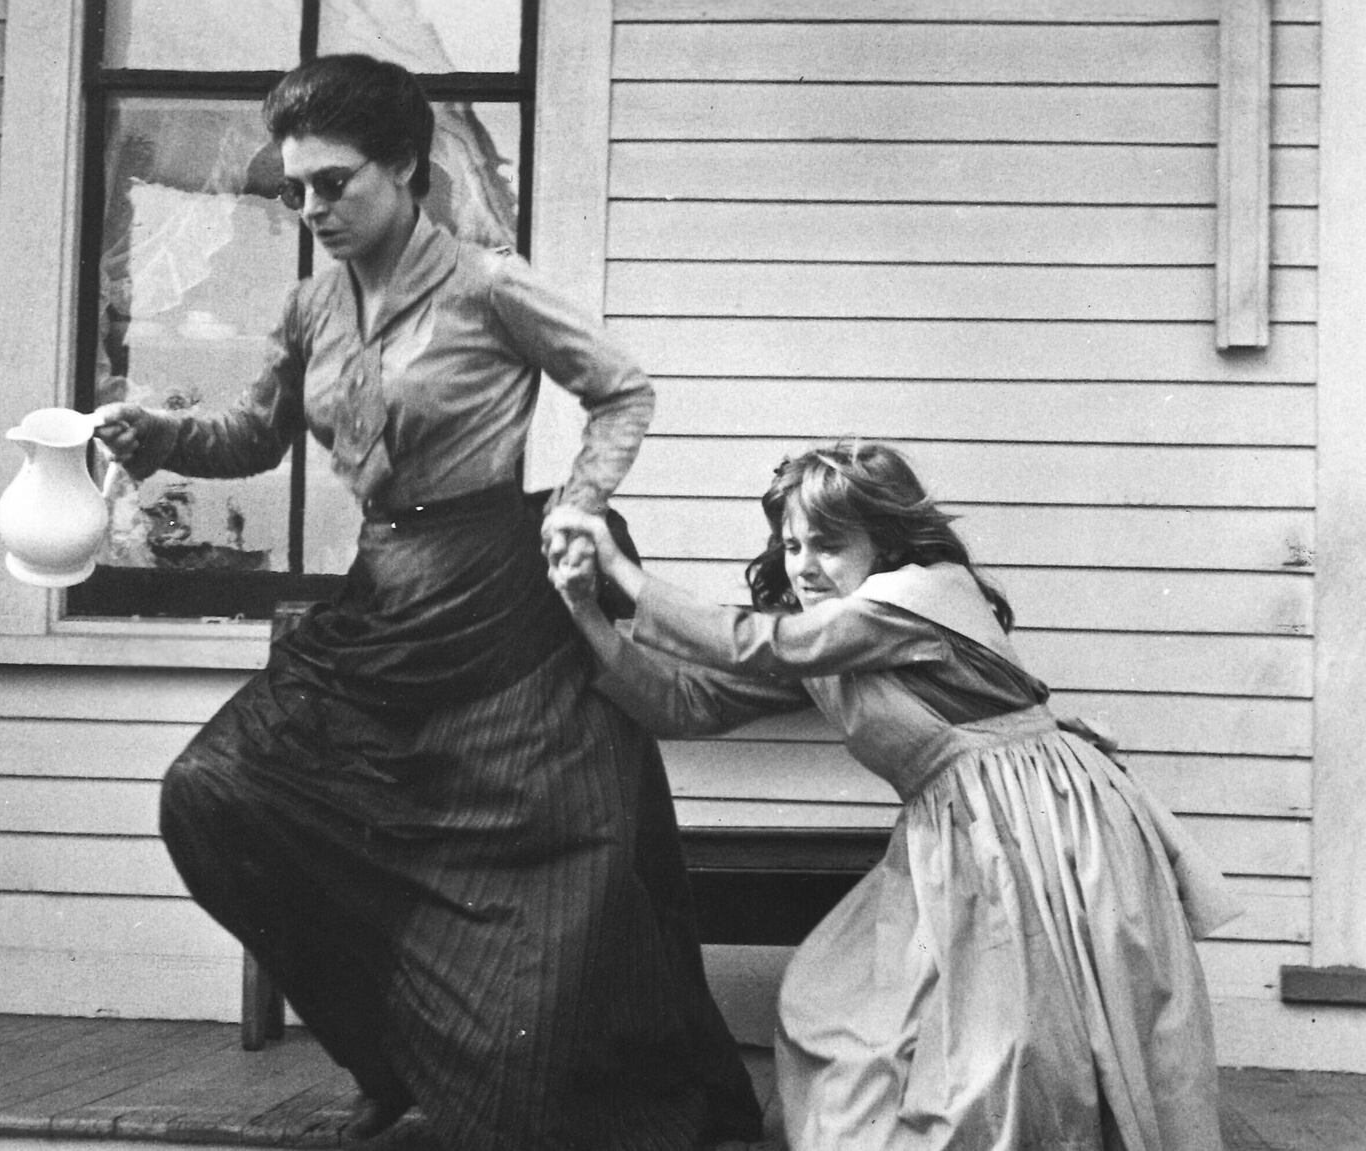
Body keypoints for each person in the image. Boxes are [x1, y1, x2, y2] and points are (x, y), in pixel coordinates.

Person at [94, 54, 761, 1151]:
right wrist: (162, 433)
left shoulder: (490, 283)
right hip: (385, 598)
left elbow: (622, 387)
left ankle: (524, 1073)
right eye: (295, 189)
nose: (310, 209)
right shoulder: (313, 300)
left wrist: (581, 506)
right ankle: (384, 1055)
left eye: (334, 183)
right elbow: (256, 434)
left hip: (498, 598)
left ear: (404, 165)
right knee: (213, 794)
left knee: (539, 889)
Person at [544, 440, 1241, 1151]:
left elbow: (772, 644)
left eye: (829, 543)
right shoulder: (826, 641)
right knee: (837, 1011)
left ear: (886, 541)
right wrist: (585, 613)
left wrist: (623, 574)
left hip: (1043, 833)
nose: (805, 564)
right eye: (791, 544)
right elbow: (683, 703)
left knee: (1015, 1056)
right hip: (959, 843)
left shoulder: (925, 591)